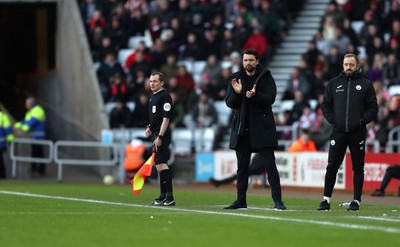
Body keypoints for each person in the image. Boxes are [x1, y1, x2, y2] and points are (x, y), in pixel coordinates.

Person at [223, 49, 286, 210]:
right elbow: (229, 102)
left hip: (262, 128)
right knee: (242, 168)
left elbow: (270, 99)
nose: (248, 63)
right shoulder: (235, 78)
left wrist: (255, 95)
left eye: (251, 60)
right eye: (245, 60)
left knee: (270, 166)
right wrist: (238, 93)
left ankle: (278, 201)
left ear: (257, 61)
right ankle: (240, 200)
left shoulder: (266, 77)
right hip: (242, 129)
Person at [316, 53, 378, 211]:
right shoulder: (334, 83)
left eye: (351, 64)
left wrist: (361, 121)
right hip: (338, 132)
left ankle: (356, 201)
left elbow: (373, 108)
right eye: (346, 64)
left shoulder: (365, 84)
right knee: (332, 166)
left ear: (358, 66)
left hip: (357, 132)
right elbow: (325, 105)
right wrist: (333, 120)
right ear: (342, 65)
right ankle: (326, 200)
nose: (348, 67)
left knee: (358, 167)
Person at [145, 72, 175, 206]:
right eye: (151, 81)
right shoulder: (153, 97)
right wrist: (150, 127)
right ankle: (163, 196)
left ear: (162, 83)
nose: (152, 84)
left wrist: (160, 136)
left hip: (161, 135)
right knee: (158, 165)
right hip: (156, 134)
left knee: (161, 164)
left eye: (155, 81)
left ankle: (169, 197)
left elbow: (166, 118)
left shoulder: (165, 96)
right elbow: (156, 118)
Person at [14, 97, 47, 176]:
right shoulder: (31, 111)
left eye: (27, 104)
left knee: (39, 153)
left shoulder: (38, 110)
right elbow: (26, 121)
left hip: (39, 136)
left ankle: (41, 170)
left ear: (31, 104)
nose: (25, 105)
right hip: (34, 136)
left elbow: (31, 123)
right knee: (34, 152)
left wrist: (22, 129)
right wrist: (18, 124)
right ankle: (34, 168)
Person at [0, 109, 14, 179]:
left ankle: (2, 175)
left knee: (0, 160)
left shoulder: (3, 116)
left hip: (1, 143)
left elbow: (8, 129)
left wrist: (10, 140)